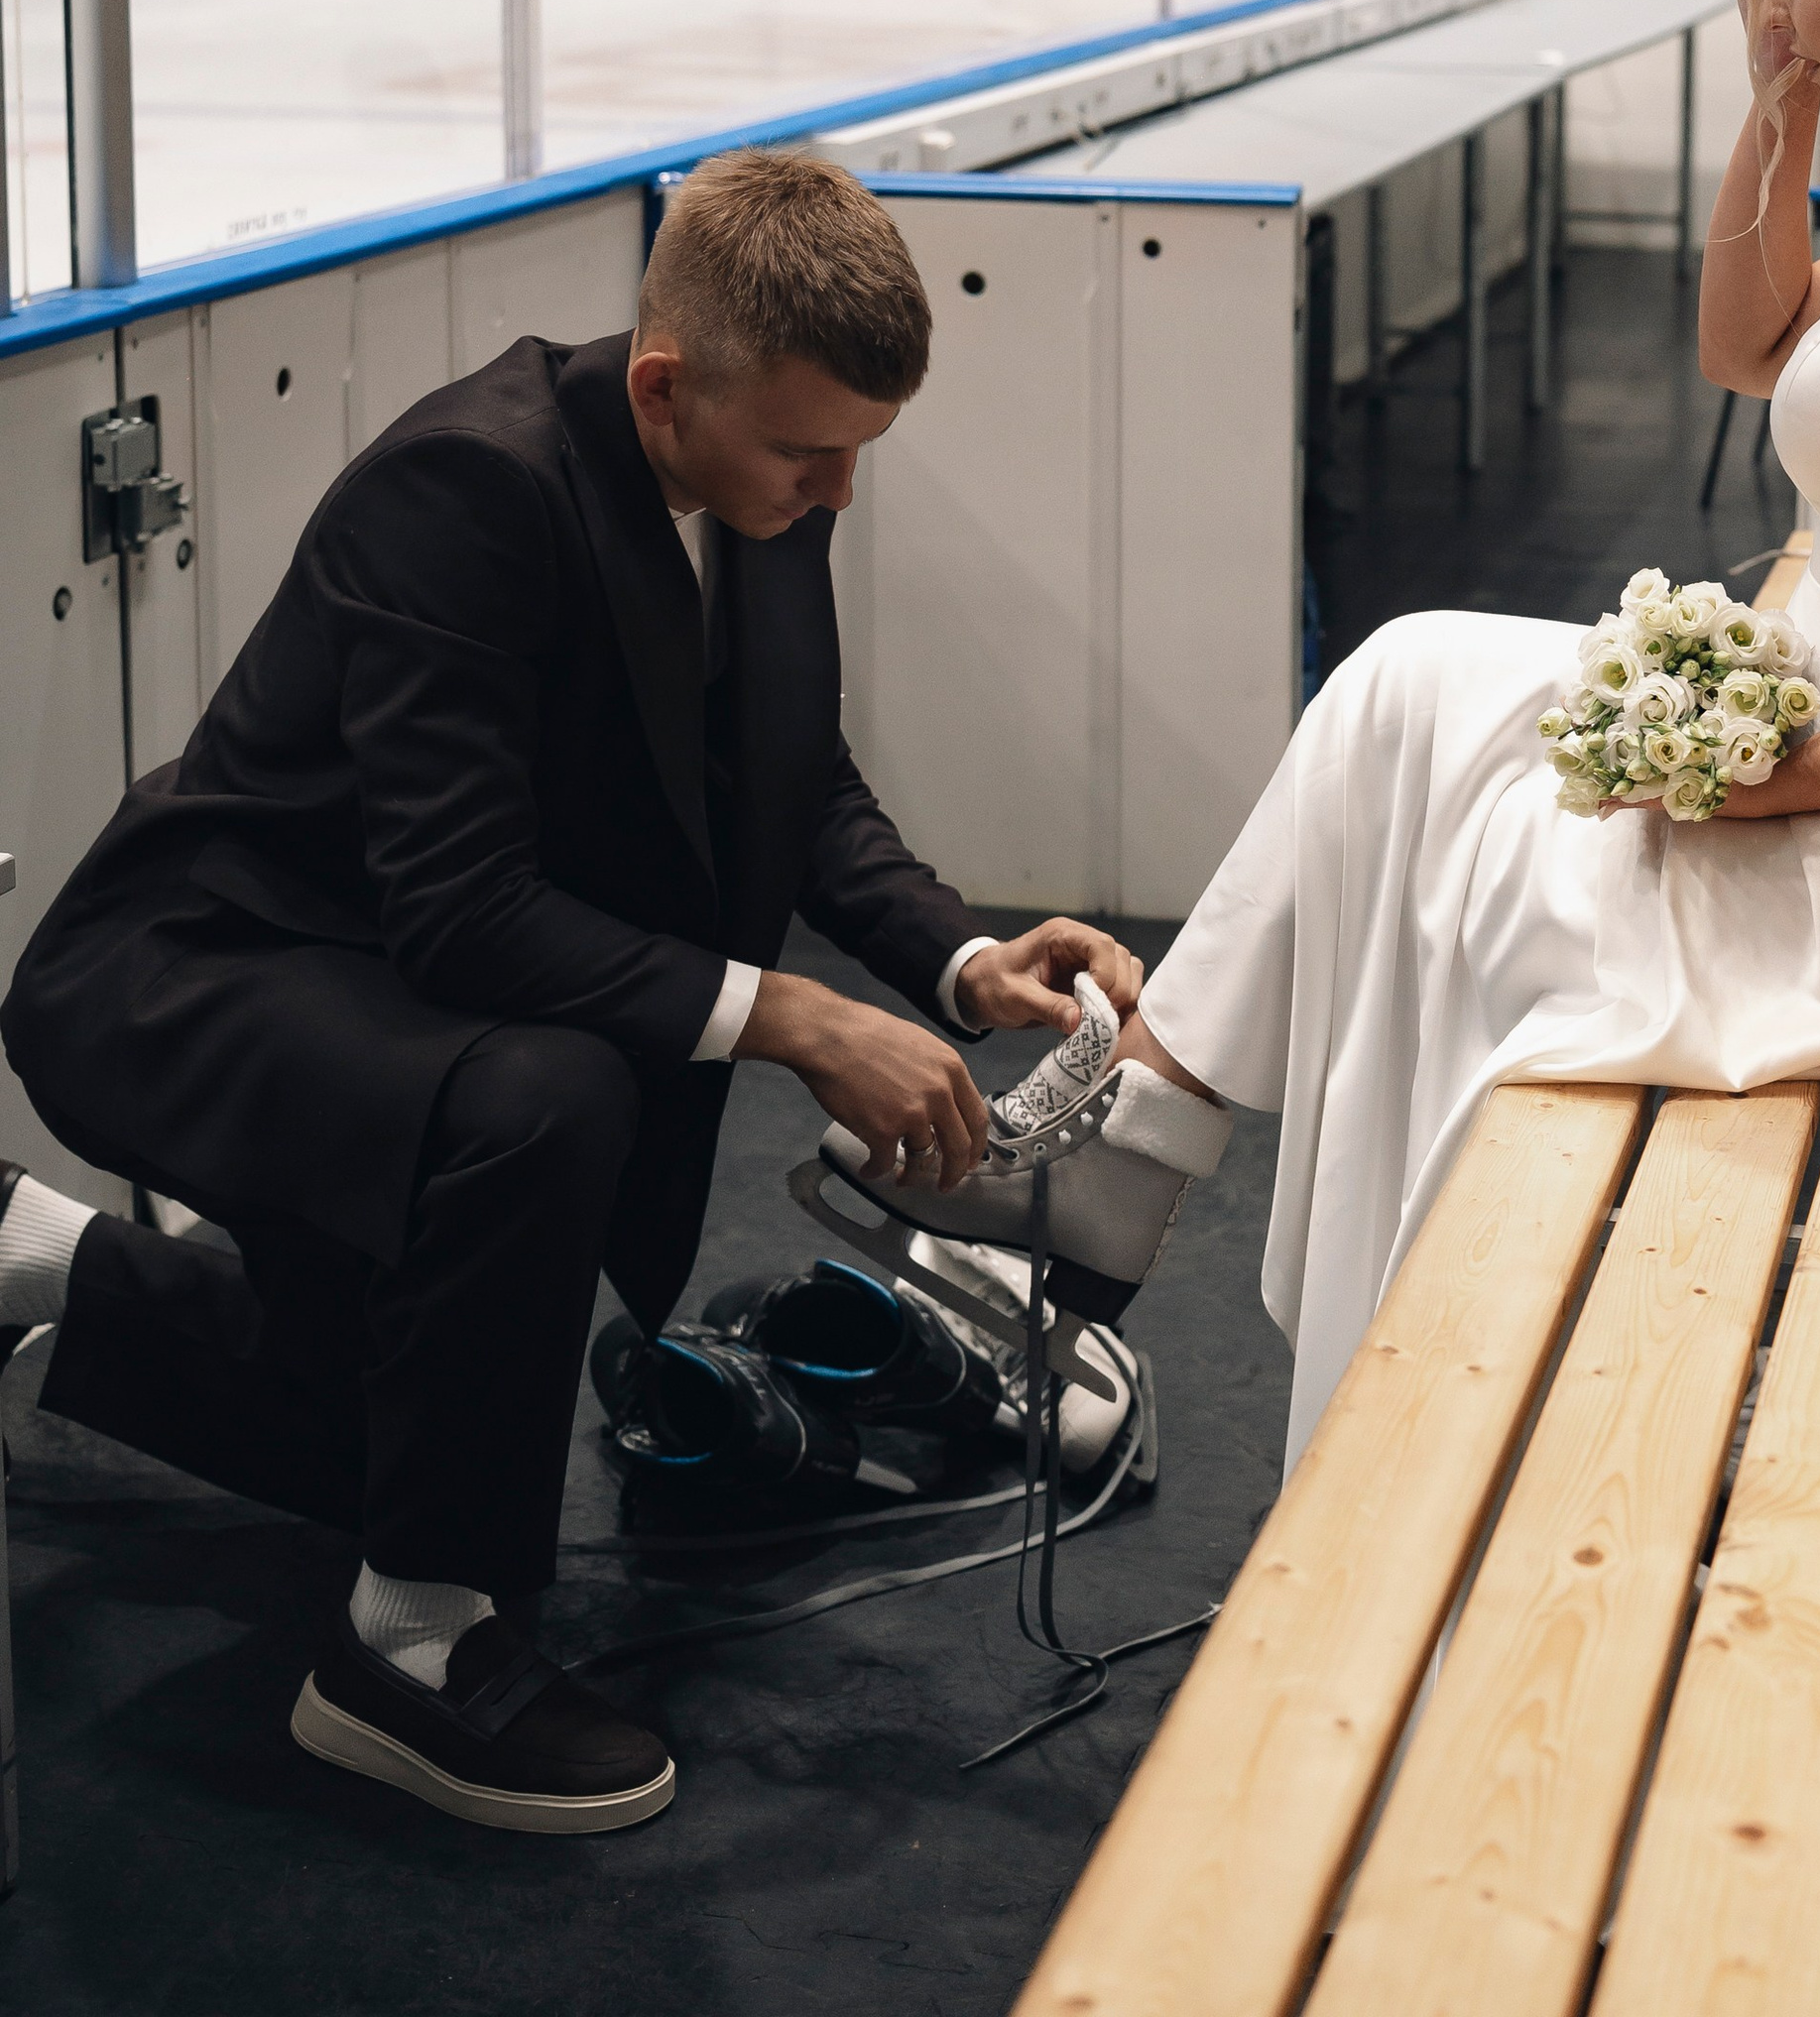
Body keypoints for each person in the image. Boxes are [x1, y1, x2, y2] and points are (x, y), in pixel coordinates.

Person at [840, 0, 1820, 1467]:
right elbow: (1748, 344)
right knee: (1404, 685)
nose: (1777, 7)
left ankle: (1209, 1242)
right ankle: (1131, 1145)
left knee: (1477, 860)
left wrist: (1771, 780)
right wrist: (1774, 103)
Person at [0, 146, 1141, 1836]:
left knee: (391, 1447)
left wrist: (967, 960)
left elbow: (791, 783)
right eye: (812, 453)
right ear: (668, 384)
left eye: (860, 457)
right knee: (553, 1095)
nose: (838, 496)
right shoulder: (467, 485)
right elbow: (465, 916)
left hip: (377, 979)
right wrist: (804, 1020)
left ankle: (28, 1265)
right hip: (192, 975)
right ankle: (406, 1654)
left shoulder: (757, 480)